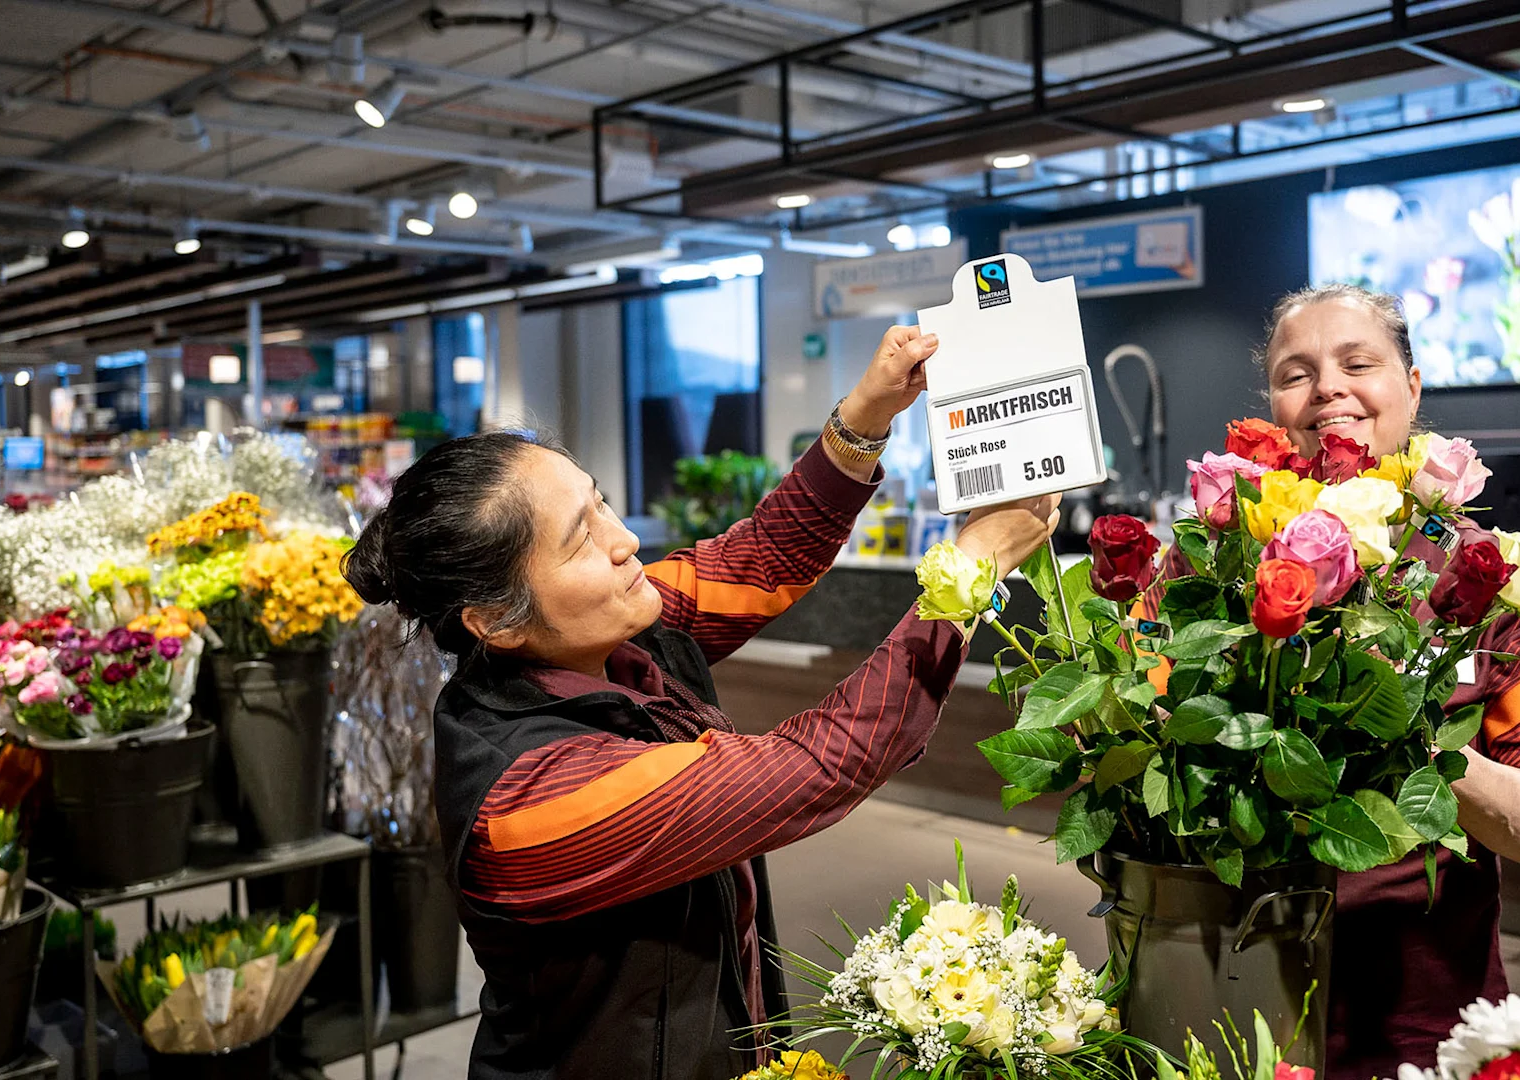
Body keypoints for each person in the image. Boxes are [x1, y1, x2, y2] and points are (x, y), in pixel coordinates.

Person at [341, 326, 1062, 1080]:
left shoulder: (618, 634)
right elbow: (819, 761)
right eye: (578, 540)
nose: (623, 543)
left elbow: (760, 558)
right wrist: (968, 574)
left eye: (603, 504)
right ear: (495, 619)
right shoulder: (526, 799)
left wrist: (865, 415)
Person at [1259, 283, 1520, 1079]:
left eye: (1357, 362)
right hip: (1235, 1006)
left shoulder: (1496, 581)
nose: (1327, 388)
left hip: (1425, 1029)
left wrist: (1407, 735)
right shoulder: (1216, 565)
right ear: (1275, 404)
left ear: (1411, 387)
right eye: (1295, 372)